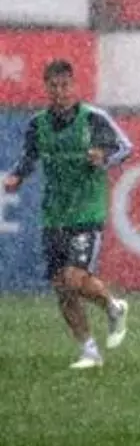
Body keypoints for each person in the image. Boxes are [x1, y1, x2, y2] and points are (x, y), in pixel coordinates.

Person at [3, 59, 132, 369]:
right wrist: (17, 177)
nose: (60, 92)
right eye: (53, 86)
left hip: (87, 209)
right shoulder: (38, 124)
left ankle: (114, 307)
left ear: (74, 86)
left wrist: (103, 157)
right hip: (54, 213)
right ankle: (89, 351)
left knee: (74, 278)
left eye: (65, 85)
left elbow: (126, 147)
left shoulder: (93, 118)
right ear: (46, 88)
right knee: (62, 287)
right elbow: (29, 157)